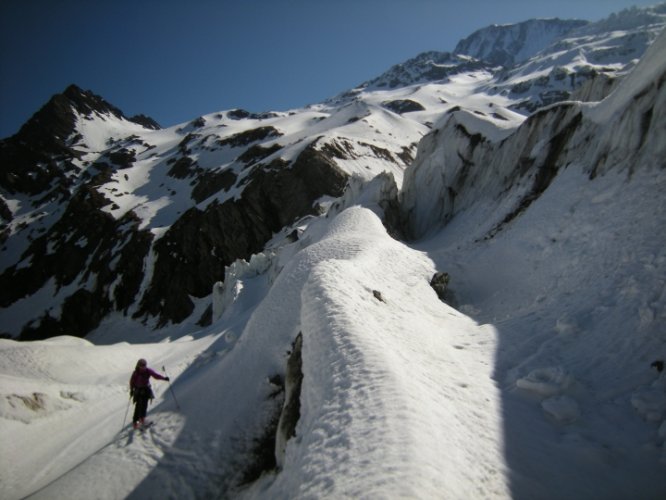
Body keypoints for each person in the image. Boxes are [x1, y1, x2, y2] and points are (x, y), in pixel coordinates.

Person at [129, 358, 169, 429]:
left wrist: (164, 378)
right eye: (141, 366)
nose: (143, 367)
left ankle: (142, 419)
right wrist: (132, 390)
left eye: (144, 366)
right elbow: (132, 382)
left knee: (144, 405)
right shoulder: (136, 372)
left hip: (146, 390)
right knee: (138, 406)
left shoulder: (148, 371)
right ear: (138, 366)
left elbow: (156, 375)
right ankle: (136, 422)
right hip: (138, 390)